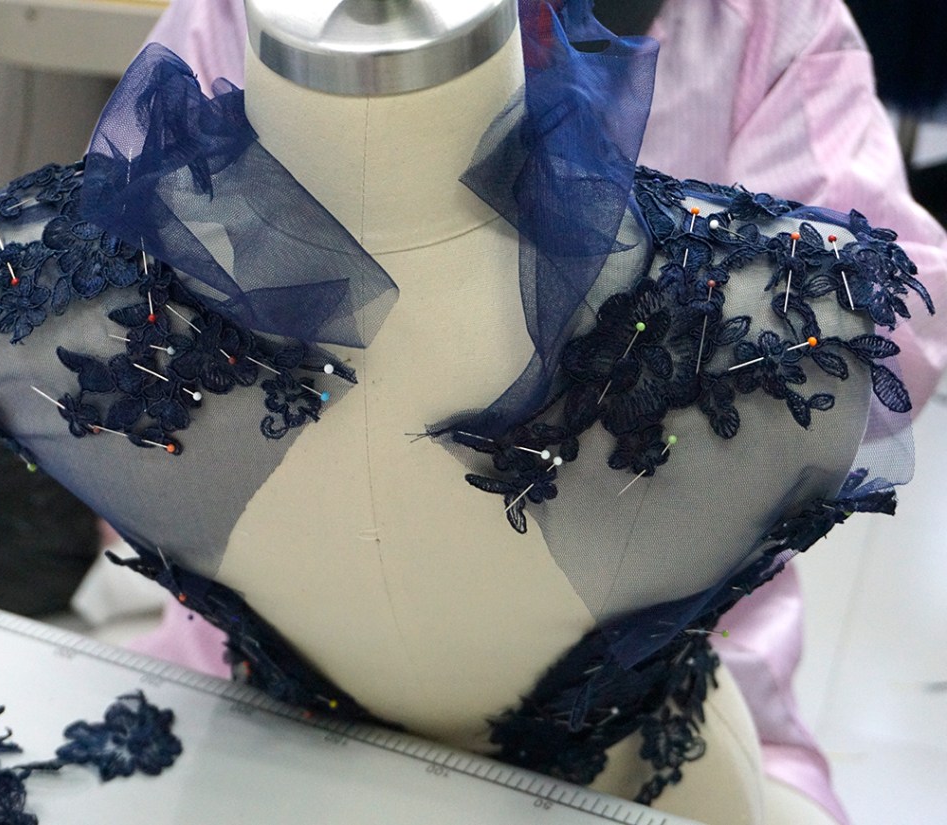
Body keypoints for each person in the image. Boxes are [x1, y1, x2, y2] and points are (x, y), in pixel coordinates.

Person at [117, 1, 947, 823]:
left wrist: (646, 310)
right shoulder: (252, 17)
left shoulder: (769, 25)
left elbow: (892, 336)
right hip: (254, 686)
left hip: (648, 700)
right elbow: (130, 334)